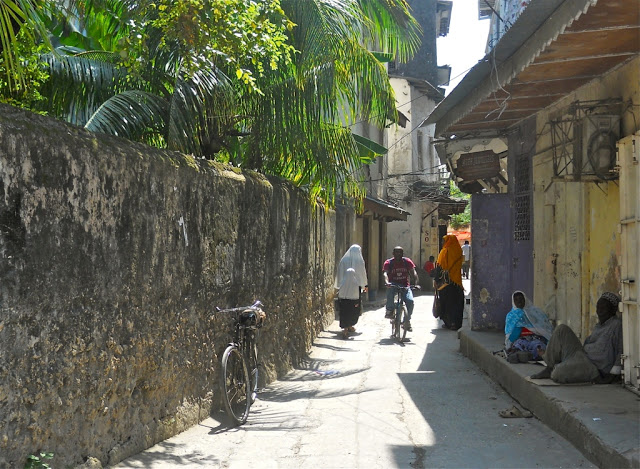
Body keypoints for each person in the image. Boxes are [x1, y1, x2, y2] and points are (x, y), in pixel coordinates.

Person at [530, 292, 623, 384]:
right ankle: (549, 367)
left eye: (604, 308)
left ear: (612, 310)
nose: (599, 311)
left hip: (593, 368)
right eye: (598, 307)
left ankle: (559, 368)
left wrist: (613, 374)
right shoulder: (599, 326)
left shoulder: (616, 325)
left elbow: (621, 349)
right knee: (561, 329)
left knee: (557, 374)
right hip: (582, 356)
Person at [504, 291, 553, 361]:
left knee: (538, 346)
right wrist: (509, 344)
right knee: (518, 345)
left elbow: (544, 326)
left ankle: (532, 355)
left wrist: (534, 330)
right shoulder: (511, 315)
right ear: (513, 301)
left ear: (525, 299)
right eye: (516, 300)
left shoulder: (536, 312)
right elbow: (509, 333)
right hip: (520, 339)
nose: (519, 302)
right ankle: (523, 354)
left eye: (521, 299)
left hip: (535, 337)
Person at [382, 246, 420, 331]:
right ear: (393, 253)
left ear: (403, 254)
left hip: (405, 285)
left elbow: (414, 272)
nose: (398, 254)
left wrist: (416, 283)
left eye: (400, 252)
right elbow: (385, 274)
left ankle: (407, 321)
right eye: (396, 252)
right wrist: (387, 282)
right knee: (390, 291)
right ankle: (390, 310)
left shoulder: (407, 262)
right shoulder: (389, 263)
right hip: (393, 284)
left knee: (410, 301)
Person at [335, 244, 368, 338]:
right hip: (355, 288)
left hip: (344, 288)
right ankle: (350, 325)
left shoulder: (343, 260)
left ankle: (346, 326)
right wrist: (364, 285)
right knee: (354, 307)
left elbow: (340, 274)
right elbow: (362, 274)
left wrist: (340, 286)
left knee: (344, 307)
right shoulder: (359, 261)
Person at [434, 235, 465, 330]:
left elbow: (440, 266)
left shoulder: (445, 251)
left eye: (444, 241)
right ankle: (456, 323)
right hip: (457, 282)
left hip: (446, 282)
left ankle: (449, 323)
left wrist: (436, 279)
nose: (443, 243)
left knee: (447, 303)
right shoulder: (459, 251)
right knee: (457, 303)